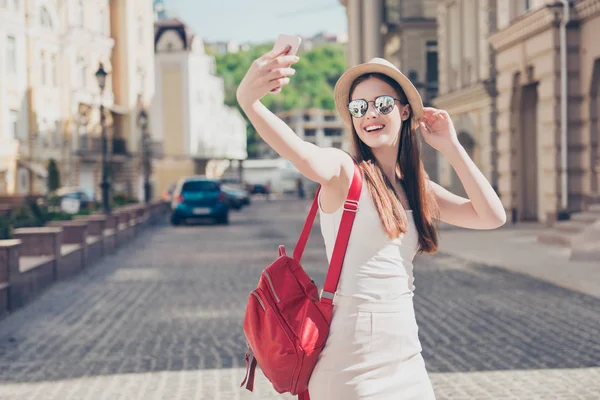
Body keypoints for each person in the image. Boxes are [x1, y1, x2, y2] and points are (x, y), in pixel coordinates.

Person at [236, 46, 506, 400]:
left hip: (407, 359)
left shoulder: (416, 186)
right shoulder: (344, 172)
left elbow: (490, 216)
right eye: (358, 107)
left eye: (382, 103)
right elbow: (302, 153)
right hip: (351, 366)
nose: (369, 115)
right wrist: (249, 102)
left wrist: (452, 146)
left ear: (405, 110)